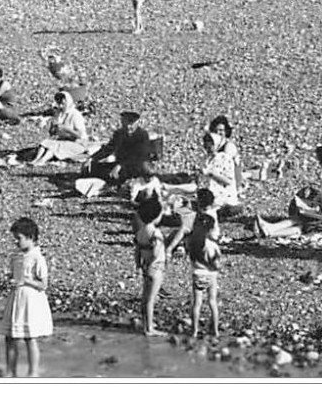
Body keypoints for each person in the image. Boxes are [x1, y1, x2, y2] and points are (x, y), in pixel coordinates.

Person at [3, 217, 52, 377]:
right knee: (10, 337)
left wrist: (25, 281)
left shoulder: (37, 258)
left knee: (30, 337)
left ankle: (33, 373)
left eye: (19, 238)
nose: (16, 242)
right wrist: (10, 279)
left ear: (30, 237)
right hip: (16, 298)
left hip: (31, 301)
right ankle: (11, 372)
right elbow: (13, 274)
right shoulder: (15, 256)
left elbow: (43, 285)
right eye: (15, 239)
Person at [133, 193, 180, 336]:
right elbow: (157, 250)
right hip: (156, 267)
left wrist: (139, 264)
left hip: (146, 266)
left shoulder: (141, 232)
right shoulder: (156, 233)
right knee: (151, 299)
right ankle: (149, 329)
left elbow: (137, 251)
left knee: (145, 297)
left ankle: (146, 322)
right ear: (156, 216)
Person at [18, 90, 93, 165]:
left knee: (56, 146)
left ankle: (42, 160)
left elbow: (80, 135)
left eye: (63, 104)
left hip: (78, 143)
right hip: (63, 140)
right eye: (59, 103)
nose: (60, 106)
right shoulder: (59, 114)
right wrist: (53, 129)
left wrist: (65, 128)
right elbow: (54, 133)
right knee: (45, 143)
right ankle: (36, 159)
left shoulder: (75, 115)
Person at [86, 111, 155, 185]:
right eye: (125, 123)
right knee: (94, 167)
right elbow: (108, 149)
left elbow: (139, 156)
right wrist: (93, 158)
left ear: (137, 122)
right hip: (119, 164)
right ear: (122, 122)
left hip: (135, 165)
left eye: (131, 123)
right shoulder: (119, 133)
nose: (128, 126)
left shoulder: (142, 135)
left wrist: (120, 165)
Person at [185, 211, 222, 339]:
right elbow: (216, 264)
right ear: (209, 230)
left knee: (197, 303)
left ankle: (194, 330)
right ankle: (216, 330)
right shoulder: (212, 246)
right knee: (212, 301)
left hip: (198, 274)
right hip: (211, 275)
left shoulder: (191, 242)